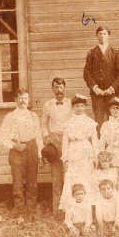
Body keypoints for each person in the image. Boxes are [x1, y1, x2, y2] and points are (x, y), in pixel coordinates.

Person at [0, 88, 43, 219]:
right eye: (20, 98)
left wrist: (39, 153)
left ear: (28, 100)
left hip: (31, 148)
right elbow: (1, 136)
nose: (23, 101)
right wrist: (14, 145)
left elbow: (38, 136)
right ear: (15, 100)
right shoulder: (10, 117)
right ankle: (19, 210)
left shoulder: (33, 116)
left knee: (32, 181)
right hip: (16, 150)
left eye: (25, 98)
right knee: (17, 182)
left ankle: (31, 211)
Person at [59, 94, 98, 212]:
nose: (79, 108)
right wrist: (65, 158)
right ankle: (71, 208)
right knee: (73, 177)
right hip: (73, 151)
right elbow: (65, 141)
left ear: (85, 107)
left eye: (82, 106)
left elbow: (95, 140)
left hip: (86, 150)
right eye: (77, 106)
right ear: (73, 108)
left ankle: (89, 208)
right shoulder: (68, 122)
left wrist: (96, 156)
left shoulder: (90, 122)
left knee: (87, 177)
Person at [41, 77, 72, 218]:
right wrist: (47, 137)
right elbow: (43, 124)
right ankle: (57, 212)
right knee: (56, 178)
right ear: (52, 89)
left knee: (70, 176)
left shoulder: (72, 103)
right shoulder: (48, 105)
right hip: (54, 141)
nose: (58, 90)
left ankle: (71, 212)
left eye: (61, 87)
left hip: (68, 140)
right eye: (55, 87)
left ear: (65, 88)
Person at [82, 26, 119, 129]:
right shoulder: (92, 53)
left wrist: (112, 88)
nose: (102, 36)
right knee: (99, 119)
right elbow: (87, 73)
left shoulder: (115, 53)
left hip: (112, 93)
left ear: (108, 36)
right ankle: (99, 143)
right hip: (97, 94)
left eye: (104, 34)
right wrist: (95, 88)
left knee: (113, 119)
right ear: (97, 36)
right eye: (100, 34)